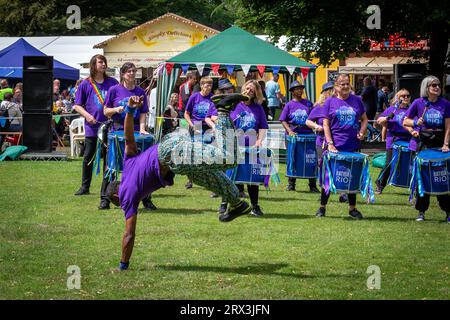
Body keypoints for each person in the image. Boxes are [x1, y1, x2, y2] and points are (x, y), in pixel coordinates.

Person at [108, 93, 253, 271]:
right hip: (172, 149)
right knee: (209, 176)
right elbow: (129, 138)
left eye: (117, 203)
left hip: (173, 155)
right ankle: (237, 203)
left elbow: (129, 234)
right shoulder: (128, 167)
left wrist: (123, 265)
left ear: (116, 195)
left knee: (227, 158)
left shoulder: (126, 196)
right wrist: (130, 110)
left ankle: (222, 109)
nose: (121, 205)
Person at [316, 74, 368, 219]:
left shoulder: (357, 100)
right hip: (335, 146)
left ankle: (352, 209)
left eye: (347, 84)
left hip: (352, 145)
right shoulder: (330, 102)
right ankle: (322, 208)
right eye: (342, 84)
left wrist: (362, 131)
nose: (345, 87)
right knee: (329, 178)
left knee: (351, 178)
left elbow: (364, 119)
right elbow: (325, 124)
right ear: (336, 87)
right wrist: (330, 143)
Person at [104, 62, 153, 210]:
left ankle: (146, 199)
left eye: (133, 71)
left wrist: (143, 129)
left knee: (142, 169)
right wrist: (117, 109)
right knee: (112, 167)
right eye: (128, 71)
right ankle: (104, 199)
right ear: (123, 74)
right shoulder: (114, 90)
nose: (131, 73)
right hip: (118, 130)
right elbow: (106, 111)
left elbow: (143, 112)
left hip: (136, 131)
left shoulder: (141, 92)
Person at [72, 55, 119, 210]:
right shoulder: (86, 84)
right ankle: (85, 187)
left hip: (110, 127)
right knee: (88, 157)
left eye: (104, 62)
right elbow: (77, 105)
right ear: (93, 65)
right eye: (100, 62)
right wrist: (87, 116)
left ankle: (109, 190)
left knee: (109, 161)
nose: (103, 64)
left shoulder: (113, 83)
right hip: (92, 127)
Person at [403, 76, 450, 222]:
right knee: (423, 178)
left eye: (438, 85)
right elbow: (405, 121)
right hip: (424, 143)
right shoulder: (418, 103)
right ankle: (421, 211)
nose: (437, 87)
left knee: (442, 177)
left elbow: (448, 126)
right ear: (426, 88)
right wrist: (416, 122)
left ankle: (448, 211)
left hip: (440, 142)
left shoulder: (446, 104)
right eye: (433, 85)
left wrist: (446, 144)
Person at [229, 80, 269, 217]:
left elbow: (263, 126)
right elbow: (227, 123)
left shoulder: (258, 108)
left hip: (252, 148)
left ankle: (255, 207)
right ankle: (226, 205)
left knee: (252, 179)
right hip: (235, 147)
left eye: (252, 90)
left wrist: (259, 140)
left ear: (256, 93)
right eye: (247, 88)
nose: (248, 91)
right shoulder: (234, 105)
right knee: (231, 177)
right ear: (243, 89)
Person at [279, 80, 318, 193]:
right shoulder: (289, 105)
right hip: (294, 135)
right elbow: (283, 120)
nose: (300, 90)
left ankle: (312, 185)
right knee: (293, 158)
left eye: (301, 88)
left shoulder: (308, 103)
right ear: (292, 91)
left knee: (310, 159)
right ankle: (291, 184)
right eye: (297, 88)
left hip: (308, 135)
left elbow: (314, 117)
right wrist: (289, 131)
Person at [375, 89, 415, 194]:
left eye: (408, 96)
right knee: (389, 163)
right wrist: (387, 118)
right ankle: (380, 183)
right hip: (393, 139)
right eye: (403, 96)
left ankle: (413, 187)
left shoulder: (411, 110)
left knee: (411, 163)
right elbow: (378, 121)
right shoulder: (392, 109)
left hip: (408, 140)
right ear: (398, 98)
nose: (406, 98)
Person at [183, 76, 216, 189]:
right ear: (201, 85)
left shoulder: (213, 98)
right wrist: (191, 124)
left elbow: (214, 115)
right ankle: (190, 180)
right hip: (196, 126)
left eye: (210, 85)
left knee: (208, 154)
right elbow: (186, 113)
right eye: (206, 84)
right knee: (194, 154)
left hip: (208, 128)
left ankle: (209, 180)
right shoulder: (194, 97)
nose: (209, 87)